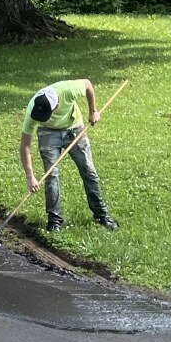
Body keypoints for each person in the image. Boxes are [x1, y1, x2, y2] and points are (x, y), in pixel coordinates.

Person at [18, 78, 118, 232]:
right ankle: (54, 220)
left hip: (74, 128)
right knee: (51, 175)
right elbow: (25, 145)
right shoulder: (33, 110)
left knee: (88, 170)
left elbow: (88, 85)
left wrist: (93, 112)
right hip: (48, 132)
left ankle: (101, 215)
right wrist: (30, 177)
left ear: (56, 105)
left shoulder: (69, 90)